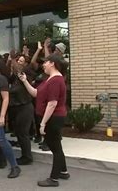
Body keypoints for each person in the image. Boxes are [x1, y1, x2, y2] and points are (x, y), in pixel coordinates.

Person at [19, 54, 69, 187]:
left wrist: (42, 123)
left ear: (52, 63)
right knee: (56, 146)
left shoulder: (55, 80)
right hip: (52, 118)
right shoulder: (50, 79)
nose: (43, 65)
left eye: (45, 62)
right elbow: (35, 93)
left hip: (53, 118)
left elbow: (52, 103)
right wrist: (25, 81)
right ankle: (63, 172)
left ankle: (54, 179)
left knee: (55, 148)